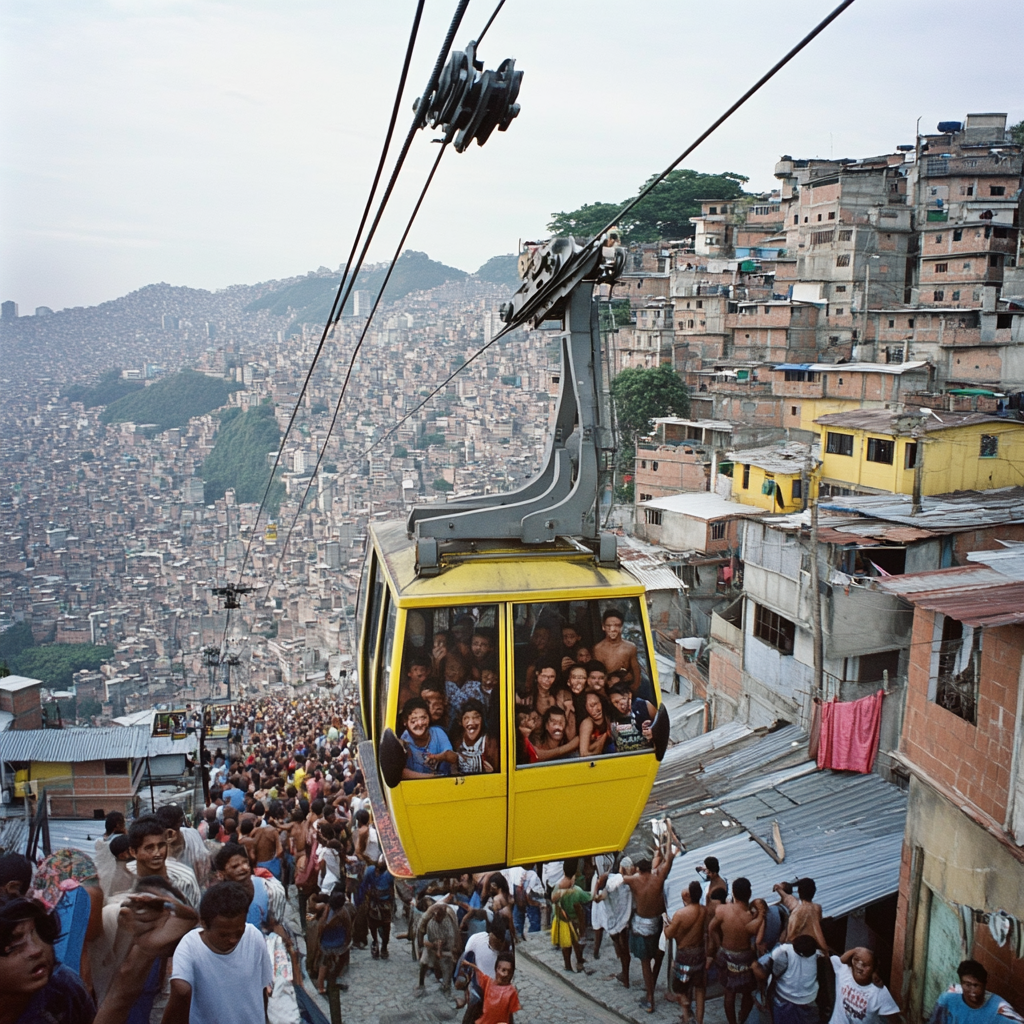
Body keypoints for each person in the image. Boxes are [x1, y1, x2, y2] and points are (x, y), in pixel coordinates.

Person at [165, 881, 273, 1024]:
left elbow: (262, 990)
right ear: (204, 924)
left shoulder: (254, 938)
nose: (233, 940)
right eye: (224, 935)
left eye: (238, 932)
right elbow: (180, 991)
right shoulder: (190, 946)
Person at [0, 895, 95, 1024]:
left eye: (40, 932)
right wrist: (119, 1000)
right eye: (14, 942)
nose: (36, 950)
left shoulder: (63, 988)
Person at [623, 822, 679, 1013]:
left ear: (638, 868)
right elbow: (669, 858)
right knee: (658, 955)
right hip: (657, 922)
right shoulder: (658, 877)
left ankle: (650, 997)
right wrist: (669, 834)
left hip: (642, 924)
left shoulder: (633, 880)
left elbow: (616, 879)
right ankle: (650, 990)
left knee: (646, 962)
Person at [708, 877, 765, 1024]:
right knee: (748, 991)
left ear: (733, 893)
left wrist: (719, 944)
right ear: (749, 893)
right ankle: (742, 1019)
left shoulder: (722, 910)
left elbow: (711, 928)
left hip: (726, 953)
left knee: (729, 993)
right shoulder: (751, 917)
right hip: (745, 955)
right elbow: (758, 937)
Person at [127, 816, 201, 911]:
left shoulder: (185, 879)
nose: (157, 853)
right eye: (149, 848)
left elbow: (196, 916)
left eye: (161, 846)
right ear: (133, 852)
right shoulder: (126, 876)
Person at [665, 880, 709, 1024]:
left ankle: (685, 1012)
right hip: (699, 954)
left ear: (689, 896)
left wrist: (666, 924)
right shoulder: (704, 910)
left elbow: (669, 934)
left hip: (685, 955)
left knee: (679, 989)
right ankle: (698, 1021)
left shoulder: (681, 914)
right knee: (700, 989)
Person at [926, 959, 1023, 1024]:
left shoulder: (999, 1009)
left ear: (984, 985)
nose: (972, 990)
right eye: (967, 985)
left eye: (976, 985)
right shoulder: (949, 998)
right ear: (961, 983)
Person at [753, 933, 822, 1024]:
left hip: (783, 998)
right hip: (807, 1000)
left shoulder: (784, 950)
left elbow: (765, 966)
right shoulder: (818, 955)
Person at [830, 947, 901, 1024]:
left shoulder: (879, 991)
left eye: (865, 965)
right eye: (856, 960)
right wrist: (856, 950)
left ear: (874, 969)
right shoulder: (844, 970)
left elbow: (894, 1018)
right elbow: (842, 959)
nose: (859, 967)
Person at [594, 856, 634, 989]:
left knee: (621, 948)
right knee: (625, 950)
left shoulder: (613, 881)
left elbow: (598, 898)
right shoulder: (632, 882)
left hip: (614, 921)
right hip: (626, 920)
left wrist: (597, 884)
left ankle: (625, 976)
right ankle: (626, 975)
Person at [550, 860, 591, 974]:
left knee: (565, 944)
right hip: (574, 920)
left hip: (562, 920)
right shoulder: (576, 890)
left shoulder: (557, 887)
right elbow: (588, 897)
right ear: (575, 873)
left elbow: (553, 901)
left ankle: (567, 965)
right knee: (576, 941)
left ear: (563, 870)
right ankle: (579, 959)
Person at [400, 697, 456, 778]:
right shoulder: (404, 739)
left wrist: (441, 757)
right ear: (405, 722)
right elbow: (402, 772)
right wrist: (431, 777)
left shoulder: (438, 733)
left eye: (423, 718)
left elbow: (453, 758)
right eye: (414, 720)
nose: (419, 723)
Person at [416, 899, 460, 997]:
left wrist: (442, 948)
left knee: (447, 965)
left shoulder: (450, 923)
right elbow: (421, 932)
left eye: (440, 916)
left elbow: (453, 940)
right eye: (436, 915)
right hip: (431, 944)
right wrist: (423, 947)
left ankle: (446, 986)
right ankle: (421, 984)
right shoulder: (428, 919)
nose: (437, 917)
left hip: (446, 948)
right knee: (423, 963)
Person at [593, 608, 642, 694]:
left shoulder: (630, 647)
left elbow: (636, 672)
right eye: (608, 626)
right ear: (603, 627)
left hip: (626, 691)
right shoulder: (598, 649)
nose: (612, 629)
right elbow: (597, 676)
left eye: (616, 625)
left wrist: (632, 690)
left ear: (622, 627)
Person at [778, 877, 829, 952]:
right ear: (814, 891)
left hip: (800, 949)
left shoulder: (798, 911)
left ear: (799, 891)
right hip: (812, 947)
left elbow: (791, 935)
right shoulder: (817, 908)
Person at [358, 855, 394, 959]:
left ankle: (384, 946)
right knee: (373, 925)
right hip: (373, 902)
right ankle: (375, 941)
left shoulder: (389, 875)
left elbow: (393, 888)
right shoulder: (370, 871)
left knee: (386, 926)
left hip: (385, 903)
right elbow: (364, 885)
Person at [450, 699, 499, 774]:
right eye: (466, 718)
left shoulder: (489, 742)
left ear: (483, 720)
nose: (471, 722)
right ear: (461, 722)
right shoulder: (457, 740)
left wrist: (491, 773)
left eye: (476, 717)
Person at [471, 952, 521, 1024]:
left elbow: (510, 1014)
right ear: (497, 969)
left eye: (509, 971)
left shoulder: (512, 991)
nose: (505, 974)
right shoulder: (487, 982)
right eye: (503, 970)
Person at [608, 683, 656, 751]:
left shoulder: (643, 705)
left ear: (629, 695)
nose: (621, 705)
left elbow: (661, 723)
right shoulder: (611, 715)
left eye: (623, 698)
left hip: (646, 753)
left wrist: (652, 732)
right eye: (616, 702)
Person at [578, 691, 615, 757]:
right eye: (591, 706)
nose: (597, 709)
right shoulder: (587, 723)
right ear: (585, 708)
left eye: (597, 703)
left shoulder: (607, 716)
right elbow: (584, 754)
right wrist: (602, 740)